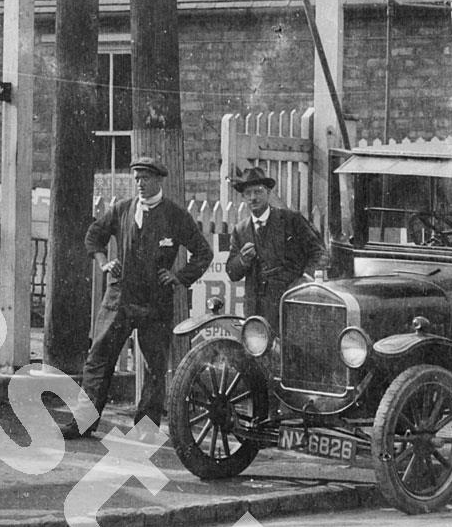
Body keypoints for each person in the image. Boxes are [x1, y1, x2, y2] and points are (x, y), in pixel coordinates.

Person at [60, 157, 213, 438]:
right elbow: (94, 236)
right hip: (119, 298)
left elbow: (204, 253)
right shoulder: (122, 210)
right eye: (137, 179)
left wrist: (178, 277)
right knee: (99, 359)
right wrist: (104, 261)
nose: (140, 184)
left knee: (155, 365)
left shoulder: (175, 215)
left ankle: (145, 429)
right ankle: (83, 422)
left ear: (159, 180)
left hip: (155, 302)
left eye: (146, 178)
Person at [224, 165, 326, 320]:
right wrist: (242, 260)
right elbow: (232, 272)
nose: (253, 197)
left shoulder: (291, 220)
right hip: (255, 310)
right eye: (248, 193)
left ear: (268, 192)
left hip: (291, 303)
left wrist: (305, 279)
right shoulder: (241, 230)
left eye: (258, 191)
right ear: (243, 197)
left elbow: (319, 252)